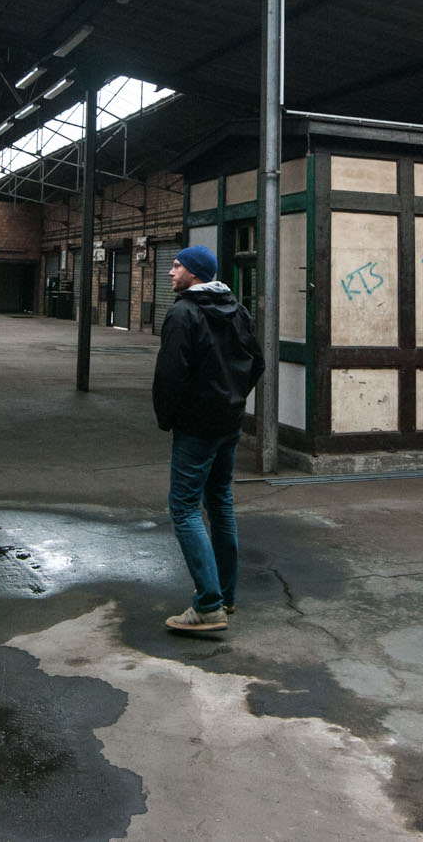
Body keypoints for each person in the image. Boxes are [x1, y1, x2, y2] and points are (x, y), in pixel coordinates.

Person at [152, 243, 263, 634]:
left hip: (196, 427)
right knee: (219, 502)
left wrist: (168, 417)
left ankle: (209, 605)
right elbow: (257, 361)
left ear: (195, 273)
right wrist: (233, 399)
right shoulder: (237, 309)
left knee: (183, 509)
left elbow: (170, 374)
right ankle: (226, 595)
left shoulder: (183, 313)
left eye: (177, 266)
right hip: (228, 424)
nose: (171, 271)